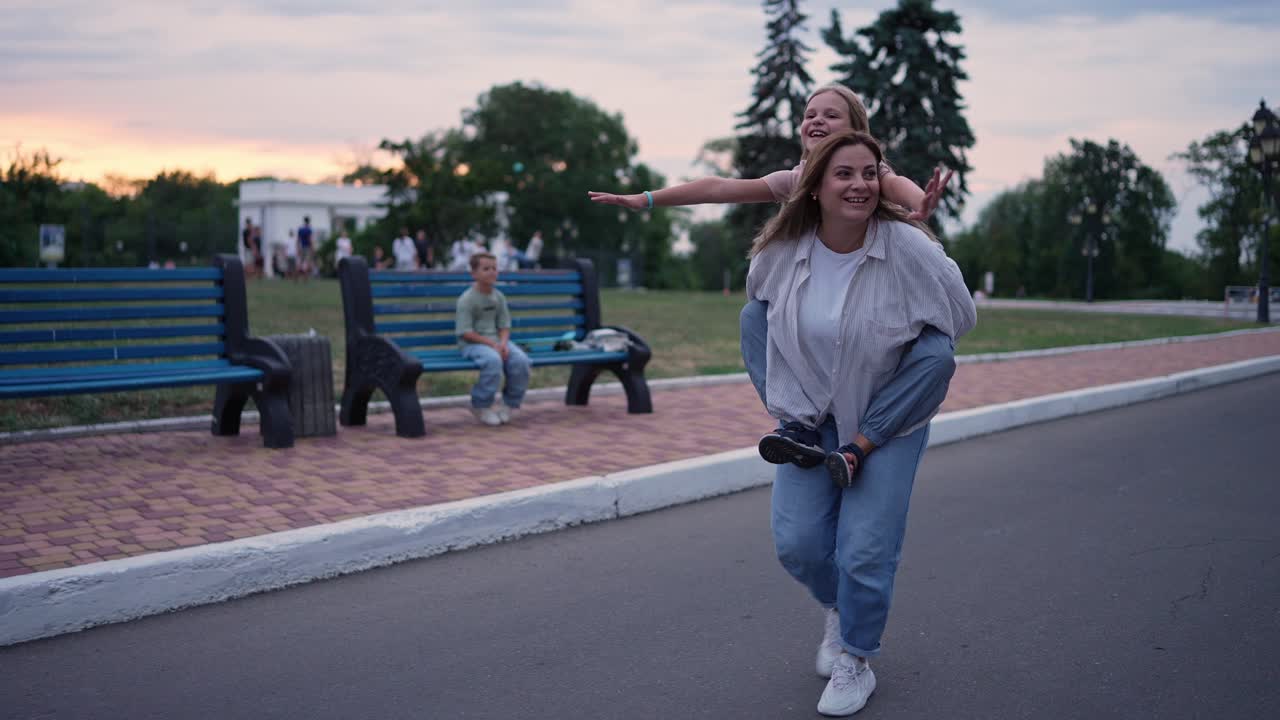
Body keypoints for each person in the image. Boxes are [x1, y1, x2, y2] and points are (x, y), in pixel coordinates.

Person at [590, 83, 956, 478]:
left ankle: (862, 441)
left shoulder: (869, 174)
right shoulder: (799, 178)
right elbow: (719, 188)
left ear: (855, 130)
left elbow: (895, 185)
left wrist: (919, 202)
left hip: (872, 296)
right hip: (814, 294)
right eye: (809, 114)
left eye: (830, 114)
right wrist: (645, 199)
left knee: (928, 352)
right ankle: (798, 425)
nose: (816, 120)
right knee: (754, 316)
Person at [747, 130, 975, 716]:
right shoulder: (781, 251)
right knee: (797, 544)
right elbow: (758, 315)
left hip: (885, 422)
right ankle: (840, 608)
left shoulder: (907, 248)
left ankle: (856, 657)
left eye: (869, 173)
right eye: (844, 174)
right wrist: (789, 403)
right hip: (812, 418)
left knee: (865, 549)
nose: (860, 185)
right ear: (816, 186)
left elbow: (958, 319)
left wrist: (908, 362)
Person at [455, 252, 531, 426]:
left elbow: (504, 325)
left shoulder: (499, 297)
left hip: (496, 342)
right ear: (474, 273)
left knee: (521, 361)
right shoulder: (467, 300)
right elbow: (466, 332)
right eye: (486, 268)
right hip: (472, 344)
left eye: (494, 268)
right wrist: (493, 345)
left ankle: (509, 403)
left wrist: (503, 343)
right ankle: (480, 405)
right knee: (493, 361)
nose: (491, 272)